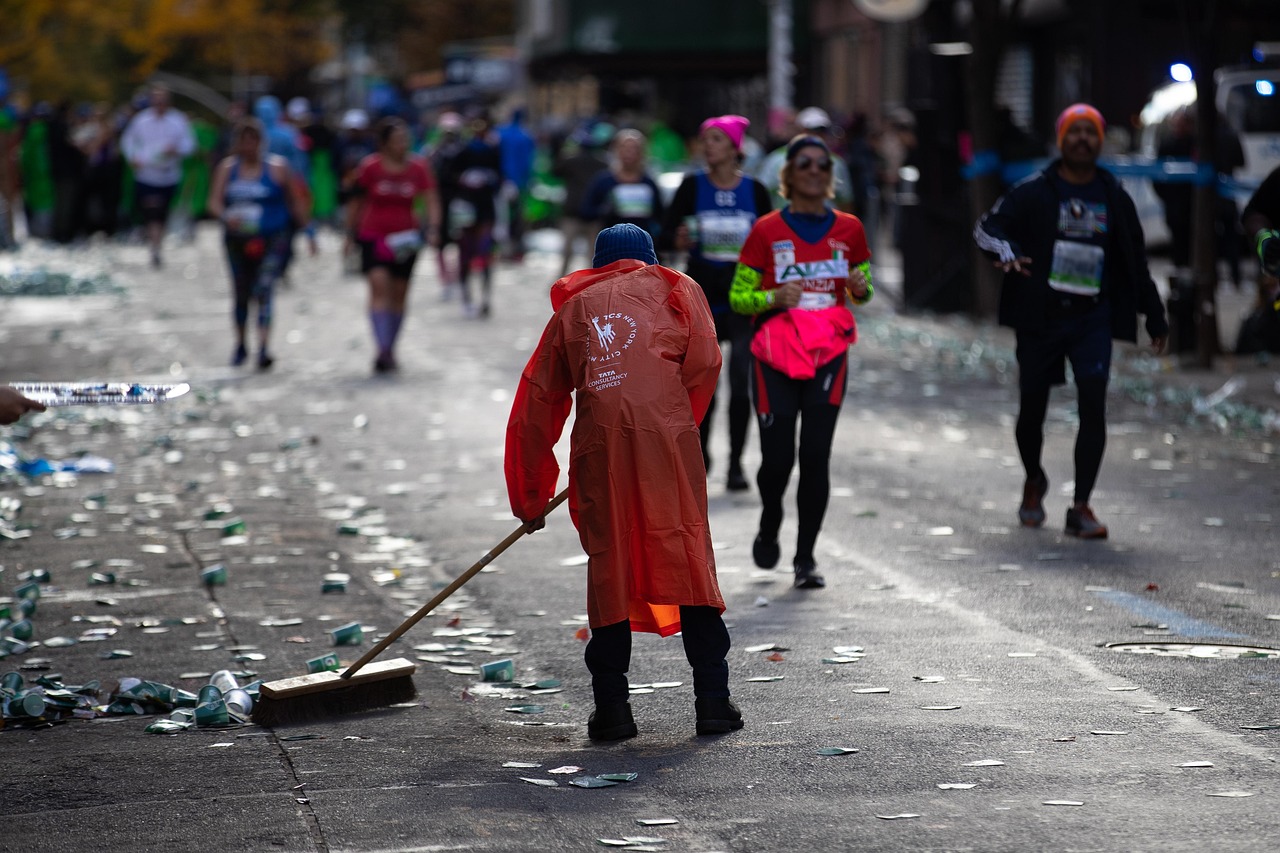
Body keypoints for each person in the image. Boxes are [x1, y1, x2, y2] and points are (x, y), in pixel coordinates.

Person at [505, 223, 742, 741]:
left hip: (600, 449)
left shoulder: (574, 310)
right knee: (685, 551)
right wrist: (676, 421)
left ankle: (612, 710)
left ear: (597, 263)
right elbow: (704, 362)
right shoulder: (680, 287)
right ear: (649, 257)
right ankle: (714, 702)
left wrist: (531, 496)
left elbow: (536, 404)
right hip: (667, 443)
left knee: (610, 566)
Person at [974, 103, 1169, 540]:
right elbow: (986, 229)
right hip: (1040, 316)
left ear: (1100, 142)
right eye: (1075, 132)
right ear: (1061, 140)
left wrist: (1154, 316)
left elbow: (1136, 260)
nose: (1083, 139)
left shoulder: (1114, 197)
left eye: (1091, 132)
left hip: (1092, 318)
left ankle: (1081, 505)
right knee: (1032, 409)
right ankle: (1034, 479)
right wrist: (1005, 252)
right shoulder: (1032, 191)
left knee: (1093, 405)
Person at [729, 134, 873, 590]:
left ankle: (805, 558)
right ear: (788, 175)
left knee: (815, 456)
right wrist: (774, 296)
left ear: (831, 177)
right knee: (777, 462)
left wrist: (858, 285)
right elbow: (737, 298)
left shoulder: (849, 229)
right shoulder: (766, 230)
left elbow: (863, 288)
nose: (815, 170)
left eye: (823, 165)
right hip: (774, 354)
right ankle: (771, 518)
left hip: (828, 353)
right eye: (805, 163)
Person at [659, 114, 772, 491]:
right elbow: (666, 237)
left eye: (717, 140)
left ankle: (737, 463)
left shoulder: (755, 191)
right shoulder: (691, 187)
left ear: (735, 148)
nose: (707, 146)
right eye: (705, 140)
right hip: (700, 296)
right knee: (703, 381)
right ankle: (702, 457)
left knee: (741, 383)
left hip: (744, 298)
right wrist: (678, 240)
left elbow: (770, 244)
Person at [207, 118, 309, 370]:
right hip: (237, 239)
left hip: (271, 237)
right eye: (244, 141)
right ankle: (241, 343)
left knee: (264, 290)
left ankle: (263, 347)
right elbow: (214, 202)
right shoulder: (228, 169)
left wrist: (308, 231)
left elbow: (295, 202)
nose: (249, 147)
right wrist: (226, 217)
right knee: (241, 292)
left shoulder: (277, 168)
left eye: (254, 141)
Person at [344, 116, 441, 373]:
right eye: (398, 140)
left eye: (405, 140)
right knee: (379, 289)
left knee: (399, 295)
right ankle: (382, 349)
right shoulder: (369, 168)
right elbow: (356, 202)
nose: (403, 145)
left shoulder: (418, 168)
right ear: (384, 144)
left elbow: (431, 199)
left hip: (406, 240)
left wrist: (432, 228)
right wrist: (348, 235)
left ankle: (391, 347)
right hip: (373, 236)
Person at [120, 85, 195, 268]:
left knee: (162, 214)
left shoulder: (178, 121)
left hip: (168, 176)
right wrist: (133, 158)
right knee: (151, 212)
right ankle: (155, 247)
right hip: (146, 175)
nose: (159, 104)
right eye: (156, 100)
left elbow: (189, 144)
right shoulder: (141, 120)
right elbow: (127, 141)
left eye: (163, 101)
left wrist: (176, 150)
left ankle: (157, 243)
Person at [447, 115, 502, 317]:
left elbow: (500, 177)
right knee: (465, 255)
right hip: (466, 210)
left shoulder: (492, 150)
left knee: (485, 254)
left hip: (485, 209)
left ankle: (485, 298)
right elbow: (450, 177)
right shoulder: (462, 151)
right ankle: (466, 297)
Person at [755, 107, 854, 213]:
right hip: (785, 225)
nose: (816, 135)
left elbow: (845, 201)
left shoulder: (836, 162)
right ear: (799, 130)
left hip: (826, 226)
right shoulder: (776, 159)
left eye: (821, 130)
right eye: (810, 130)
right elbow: (761, 195)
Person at [580, 128, 665, 246]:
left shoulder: (649, 183)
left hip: (641, 248)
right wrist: (604, 210)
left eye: (635, 148)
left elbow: (661, 216)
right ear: (616, 150)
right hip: (610, 247)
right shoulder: (604, 181)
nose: (629, 152)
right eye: (625, 147)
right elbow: (585, 211)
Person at [552, 122, 610, 278]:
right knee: (592, 255)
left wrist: (565, 151)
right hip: (593, 213)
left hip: (573, 212)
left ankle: (562, 280)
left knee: (567, 252)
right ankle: (591, 281)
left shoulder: (572, 161)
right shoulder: (602, 163)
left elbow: (555, 171)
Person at [497, 107, 536, 261]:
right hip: (520, 183)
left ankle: (499, 249)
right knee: (517, 218)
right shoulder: (525, 136)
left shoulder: (500, 133)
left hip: (501, 181)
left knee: (500, 217)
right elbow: (529, 162)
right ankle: (515, 250)